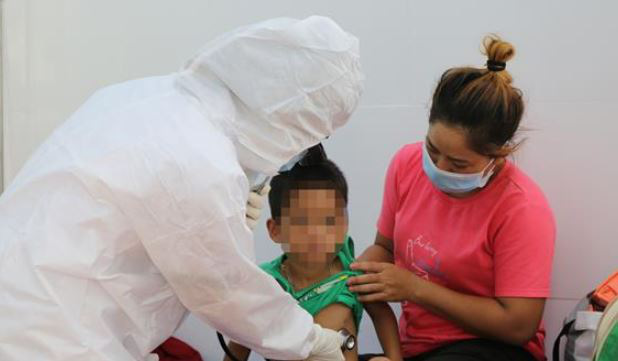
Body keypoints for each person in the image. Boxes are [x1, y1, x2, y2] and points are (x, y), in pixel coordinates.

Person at [0, 16, 363, 361]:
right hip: (51, 333)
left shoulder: (148, 99)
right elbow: (226, 290)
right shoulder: (202, 163)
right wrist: (311, 340)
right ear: (291, 117)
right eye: (314, 134)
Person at [347, 35, 555, 361]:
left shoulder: (521, 207)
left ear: (498, 154)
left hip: (494, 350)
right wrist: (353, 275)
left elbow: (519, 325)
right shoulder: (406, 164)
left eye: (458, 164)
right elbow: (385, 248)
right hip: (417, 347)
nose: (439, 168)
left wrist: (415, 289)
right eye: (432, 150)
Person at [223, 147, 402, 361]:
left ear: (345, 224)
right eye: (302, 222)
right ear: (275, 230)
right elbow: (241, 341)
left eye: (329, 221)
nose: (318, 234)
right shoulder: (267, 284)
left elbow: (383, 316)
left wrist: (394, 358)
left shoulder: (352, 276)